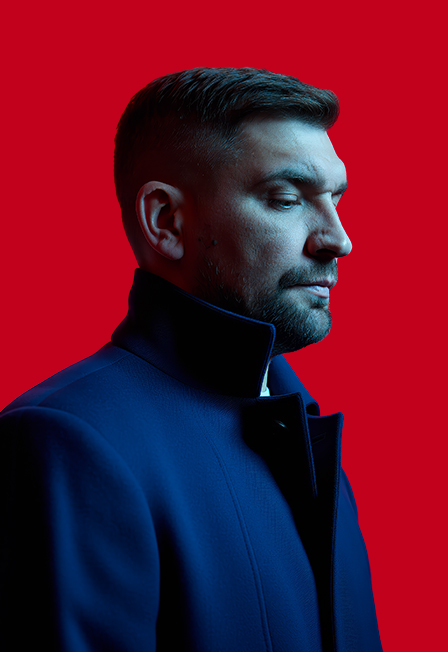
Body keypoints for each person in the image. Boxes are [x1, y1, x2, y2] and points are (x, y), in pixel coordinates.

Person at [0, 67, 383, 651]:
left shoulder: (304, 433)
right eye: (287, 199)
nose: (338, 239)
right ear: (166, 221)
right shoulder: (65, 441)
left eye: (336, 199)